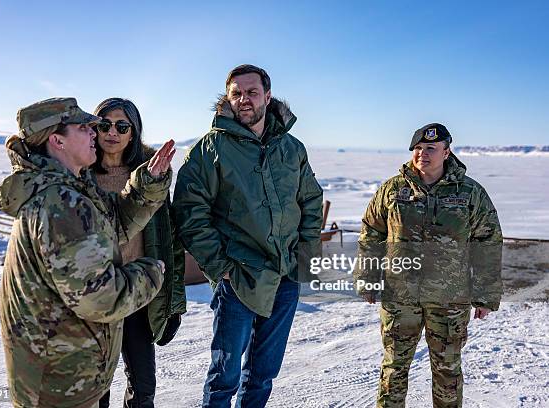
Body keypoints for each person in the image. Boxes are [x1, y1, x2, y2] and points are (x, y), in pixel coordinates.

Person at [0, 97, 176, 408]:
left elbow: (115, 222)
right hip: (61, 381)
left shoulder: (69, 189)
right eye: (86, 127)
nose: (97, 132)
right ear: (57, 140)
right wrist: (150, 273)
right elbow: (100, 298)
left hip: (66, 368)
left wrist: (147, 186)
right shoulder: (60, 204)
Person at [173, 64, 323, 407]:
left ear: (267, 97)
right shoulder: (209, 149)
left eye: (252, 92)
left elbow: (310, 200)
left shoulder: (292, 148)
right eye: (236, 93)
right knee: (224, 378)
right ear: (228, 98)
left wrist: (305, 252)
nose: (244, 100)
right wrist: (219, 265)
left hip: (285, 275)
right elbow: (189, 212)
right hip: (238, 277)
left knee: (263, 374)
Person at [354, 123, 503, 407]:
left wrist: (485, 294)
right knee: (393, 368)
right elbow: (372, 233)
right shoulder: (392, 189)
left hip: (450, 298)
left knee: (447, 371)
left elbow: (488, 242)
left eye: (431, 149)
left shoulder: (470, 193)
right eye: (418, 149)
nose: (422, 154)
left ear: (446, 152)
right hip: (400, 297)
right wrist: (367, 277)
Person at [92, 98, 186, 408]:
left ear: (133, 132)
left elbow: (168, 239)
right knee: (95, 388)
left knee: (143, 386)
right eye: (104, 124)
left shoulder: (151, 176)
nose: (112, 133)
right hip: (95, 295)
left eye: (122, 126)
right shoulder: (81, 175)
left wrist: (173, 302)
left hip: (137, 292)